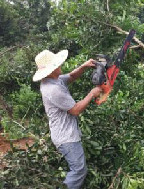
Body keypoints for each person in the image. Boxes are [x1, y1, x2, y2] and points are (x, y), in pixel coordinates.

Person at [33, 49, 102, 189]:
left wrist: (83, 66)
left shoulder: (54, 80)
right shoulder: (52, 89)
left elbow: (71, 76)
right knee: (79, 170)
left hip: (64, 133)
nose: (60, 66)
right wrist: (91, 94)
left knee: (77, 167)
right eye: (57, 65)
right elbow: (75, 110)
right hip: (66, 137)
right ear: (51, 70)